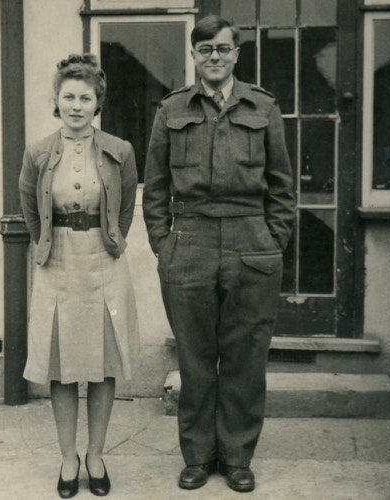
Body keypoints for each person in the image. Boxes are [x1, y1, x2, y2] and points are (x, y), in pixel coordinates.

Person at [143, 15, 295, 493]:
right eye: (205, 49)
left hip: (251, 240)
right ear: (194, 55)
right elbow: (155, 188)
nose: (214, 56)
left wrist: (272, 240)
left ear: (236, 54)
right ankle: (197, 456)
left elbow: (282, 187)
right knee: (195, 359)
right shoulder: (171, 109)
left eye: (223, 48)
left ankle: (237, 457)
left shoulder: (262, 106)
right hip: (190, 240)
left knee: (245, 359)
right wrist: (165, 245)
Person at [19, 54, 138, 498]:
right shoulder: (37, 153)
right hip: (58, 263)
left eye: (85, 98)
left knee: (103, 363)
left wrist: (109, 240)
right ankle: (68, 457)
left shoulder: (119, 150)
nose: (76, 106)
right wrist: (49, 245)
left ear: (97, 103)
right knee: (61, 366)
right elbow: (31, 211)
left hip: (103, 262)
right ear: (56, 100)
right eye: (68, 97)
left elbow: (125, 210)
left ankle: (96, 454)